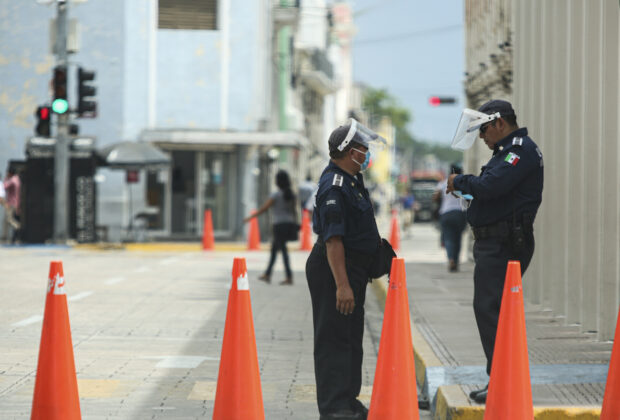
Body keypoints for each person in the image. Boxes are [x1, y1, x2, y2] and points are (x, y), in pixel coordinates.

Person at [447, 99, 544, 403]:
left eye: (484, 130)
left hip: (504, 242)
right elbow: (491, 190)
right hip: (497, 241)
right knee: (495, 311)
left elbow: (490, 186)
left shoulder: (519, 150)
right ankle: (503, 378)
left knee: (490, 310)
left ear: (499, 122)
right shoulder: (509, 151)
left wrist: (459, 181)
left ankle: (502, 381)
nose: (482, 137)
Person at [306, 119, 386, 420]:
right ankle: (334, 408)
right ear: (350, 152)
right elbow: (334, 240)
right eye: (364, 149)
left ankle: (349, 401)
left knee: (351, 338)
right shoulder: (334, 186)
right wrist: (342, 285)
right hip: (334, 269)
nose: (367, 153)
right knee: (333, 340)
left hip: (352, 269)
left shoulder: (352, 178)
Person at [244, 170, 298, 285]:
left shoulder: (276, 195)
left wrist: (250, 217)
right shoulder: (291, 194)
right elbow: (294, 212)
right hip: (288, 224)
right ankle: (267, 274)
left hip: (279, 225)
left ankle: (288, 277)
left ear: (278, 181)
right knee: (275, 250)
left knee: (282, 251)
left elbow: (264, 208)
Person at [433, 164, 467, 272]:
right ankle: (456, 261)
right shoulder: (465, 184)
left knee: (448, 238)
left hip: (446, 213)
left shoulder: (444, 184)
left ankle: (451, 259)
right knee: (458, 238)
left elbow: (435, 197)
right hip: (460, 214)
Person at [3, 167, 22, 244]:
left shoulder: (12, 180)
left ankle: (17, 226)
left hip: (11, 203)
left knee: (8, 219)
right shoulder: (17, 180)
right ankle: (7, 238)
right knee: (5, 221)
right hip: (15, 203)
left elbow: (4, 186)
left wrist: (5, 179)